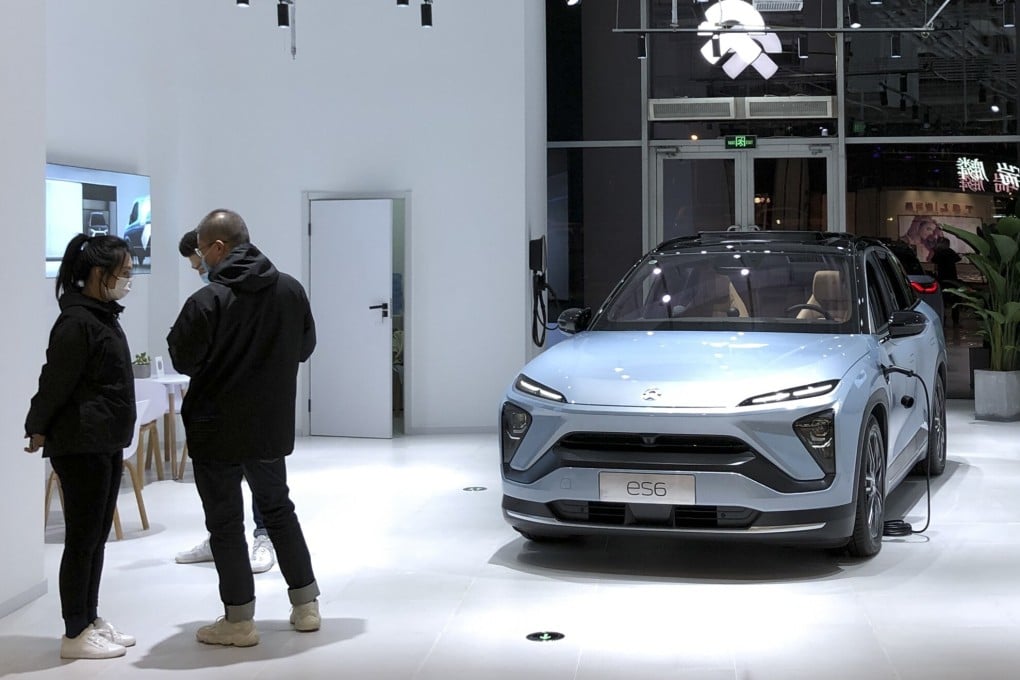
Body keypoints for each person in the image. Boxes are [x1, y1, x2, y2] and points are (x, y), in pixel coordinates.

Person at [167, 209, 319, 647]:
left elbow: (184, 359)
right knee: (278, 510)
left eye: (200, 252)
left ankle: (238, 621)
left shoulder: (207, 301)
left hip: (216, 429)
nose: (200, 262)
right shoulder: (290, 290)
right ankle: (306, 604)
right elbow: (305, 347)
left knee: (226, 522)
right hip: (269, 426)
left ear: (218, 247)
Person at [24, 234, 137, 659]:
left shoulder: (102, 315)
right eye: (123, 272)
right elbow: (55, 380)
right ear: (97, 274)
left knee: (96, 538)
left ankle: (90, 619)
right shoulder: (76, 322)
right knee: (82, 540)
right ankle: (75, 632)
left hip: (104, 439)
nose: (127, 279)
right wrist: (37, 425)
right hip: (81, 443)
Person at [172, 230, 276, 574]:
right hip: (220, 410)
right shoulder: (209, 299)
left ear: (214, 251)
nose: (196, 270)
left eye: (197, 262)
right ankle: (221, 540)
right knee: (222, 488)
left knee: (262, 478)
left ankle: (264, 536)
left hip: (256, 407)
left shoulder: (266, 294)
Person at [931, 235, 963, 327]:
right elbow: (958, 258)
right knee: (954, 301)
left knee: (943, 301)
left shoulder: (939, 253)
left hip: (942, 279)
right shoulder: (950, 252)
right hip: (952, 279)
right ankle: (955, 321)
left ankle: (943, 319)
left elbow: (934, 260)